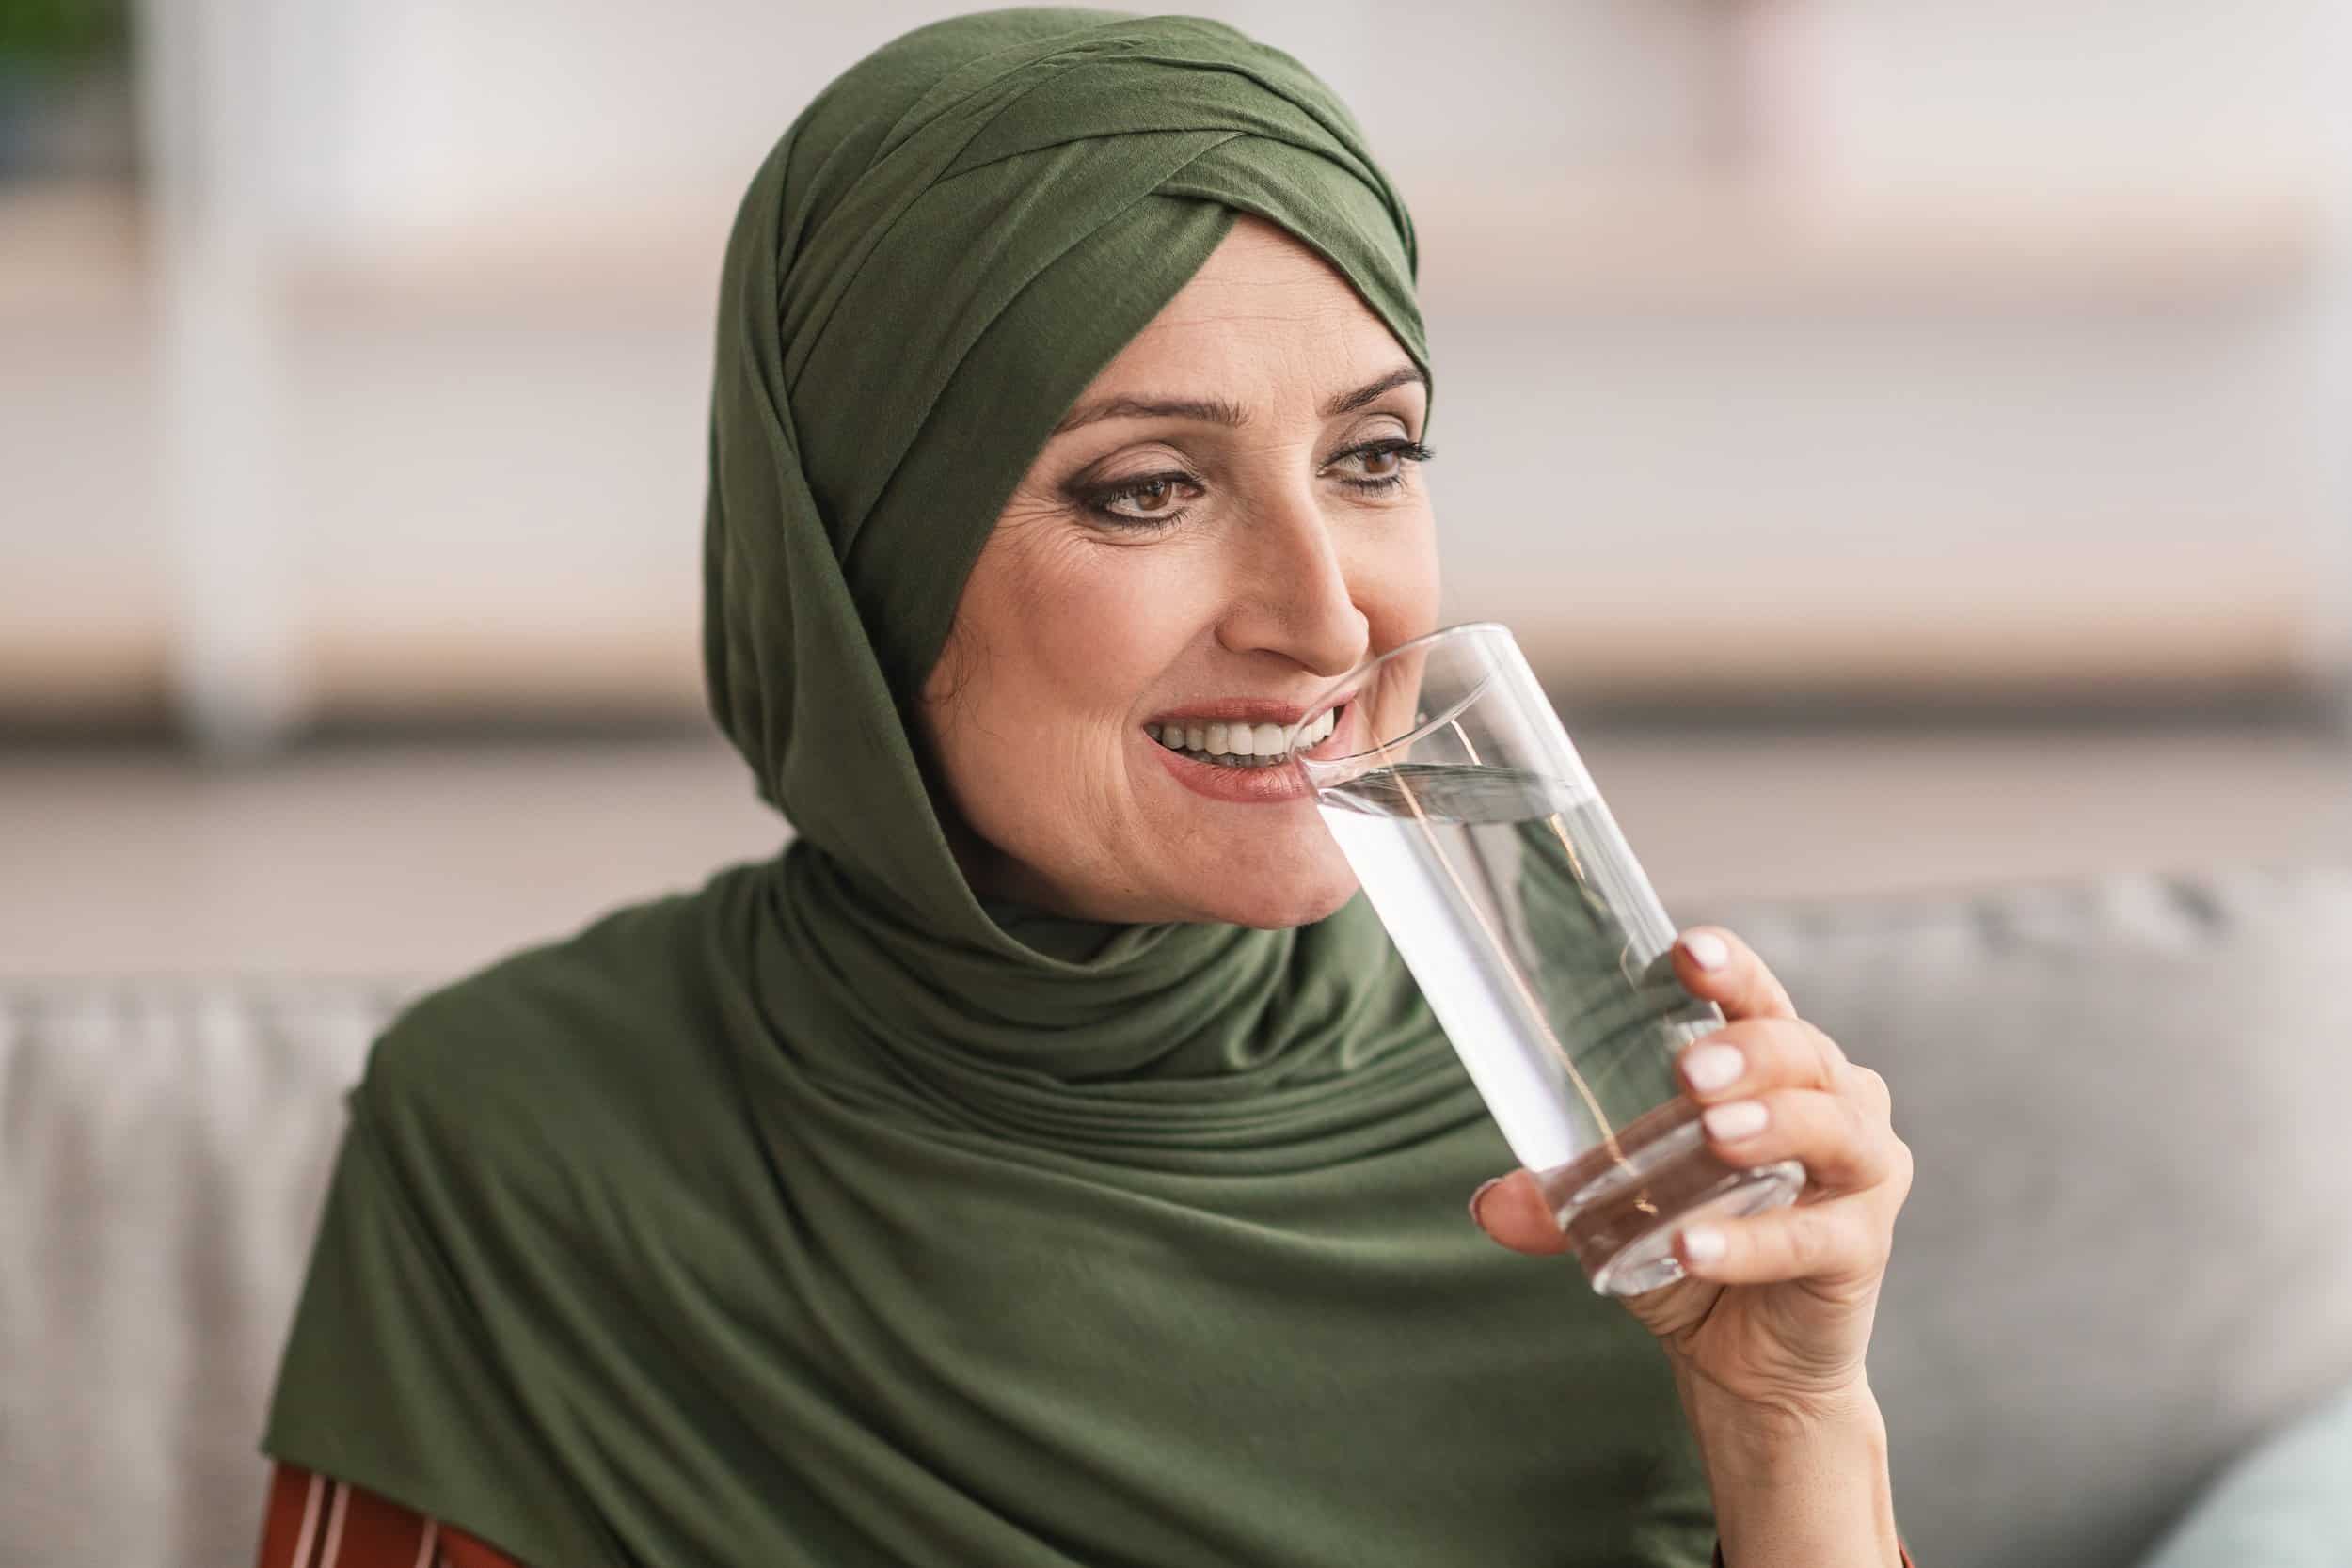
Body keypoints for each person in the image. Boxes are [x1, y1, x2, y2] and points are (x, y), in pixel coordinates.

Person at [255, 10, 1915, 1566]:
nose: (1329, 614)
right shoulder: (525, 1138)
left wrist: (1788, 1420)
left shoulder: (1628, 1131)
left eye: (1373, 457)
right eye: (1146, 489)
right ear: (867, 580)